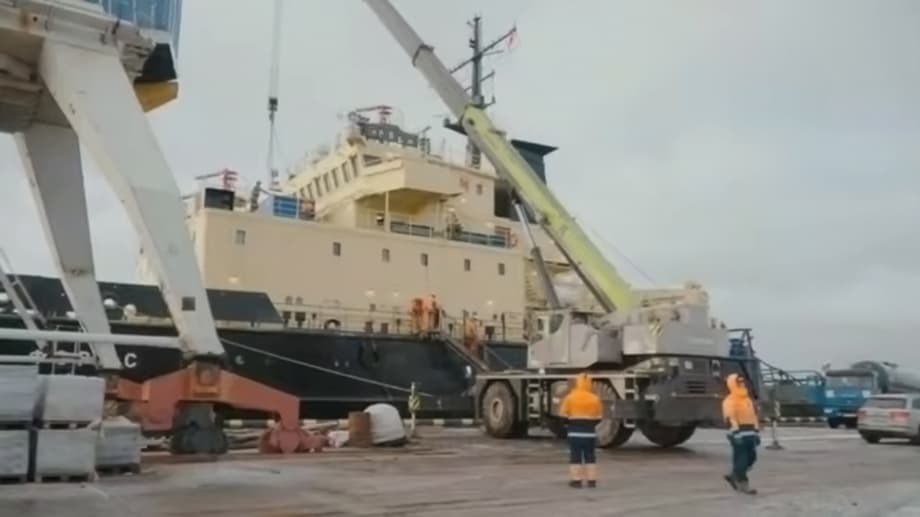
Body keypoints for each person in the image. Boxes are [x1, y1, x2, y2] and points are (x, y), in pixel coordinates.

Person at [559, 372, 603, 488]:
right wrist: (590, 425)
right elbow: (599, 418)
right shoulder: (595, 399)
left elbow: (563, 416)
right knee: (590, 457)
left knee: (575, 456)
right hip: (589, 434)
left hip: (574, 433)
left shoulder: (570, 397)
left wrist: (568, 425)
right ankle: (591, 481)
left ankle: (576, 481)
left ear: (577, 383)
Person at [722, 373, 760, 495]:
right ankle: (743, 486)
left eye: (743, 381)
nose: (742, 384)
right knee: (742, 461)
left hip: (750, 434)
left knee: (752, 458)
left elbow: (753, 416)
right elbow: (730, 419)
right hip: (738, 435)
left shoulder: (747, 399)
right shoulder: (729, 401)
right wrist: (736, 434)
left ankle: (734, 475)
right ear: (733, 384)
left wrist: (756, 432)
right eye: (739, 382)